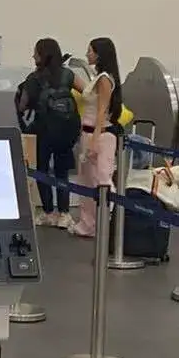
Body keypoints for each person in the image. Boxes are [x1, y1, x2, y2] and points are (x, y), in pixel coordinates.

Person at [17, 37, 83, 229]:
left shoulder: (33, 78)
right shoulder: (68, 74)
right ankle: (64, 214)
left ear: (42, 55)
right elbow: (88, 91)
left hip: (44, 130)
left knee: (42, 170)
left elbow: (22, 106)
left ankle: (48, 212)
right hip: (66, 130)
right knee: (62, 172)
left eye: (35, 53)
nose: (33, 56)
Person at [73, 37, 123, 239]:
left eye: (90, 51)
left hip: (100, 135)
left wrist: (94, 139)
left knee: (102, 180)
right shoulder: (96, 78)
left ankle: (108, 222)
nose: (87, 54)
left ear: (100, 54)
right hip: (88, 133)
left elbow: (102, 110)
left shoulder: (104, 79)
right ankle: (88, 224)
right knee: (86, 181)